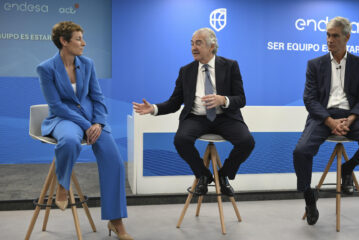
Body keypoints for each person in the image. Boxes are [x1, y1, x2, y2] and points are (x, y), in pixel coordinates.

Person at [37, 21, 133, 240]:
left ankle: (116, 222)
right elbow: (57, 106)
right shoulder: (46, 68)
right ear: (64, 41)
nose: (84, 43)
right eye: (79, 38)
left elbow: (97, 97)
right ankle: (62, 185)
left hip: (93, 120)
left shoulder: (87, 64)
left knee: (114, 161)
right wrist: (85, 125)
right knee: (69, 141)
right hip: (65, 118)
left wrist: (98, 123)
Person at [133, 28, 255, 196]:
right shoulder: (186, 71)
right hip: (196, 118)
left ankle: (223, 175)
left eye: (199, 43)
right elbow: (175, 102)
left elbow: (241, 99)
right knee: (180, 140)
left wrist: (223, 100)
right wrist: (154, 108)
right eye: (192, 44)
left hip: (225, 117)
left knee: (247, 142)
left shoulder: (230, 66)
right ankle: (203, 176)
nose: (193, 48)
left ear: (211, 46)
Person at [293, 16, 359, 226]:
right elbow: (309, 100)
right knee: (300, 151)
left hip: (351, 117)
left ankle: (348, 168)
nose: (330, 40)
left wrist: (351, 119)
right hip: (322, 118)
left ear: (347, 37)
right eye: (327, 35)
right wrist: (330, 122)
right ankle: (309, 197)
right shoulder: (314, 65)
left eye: (335, 36)